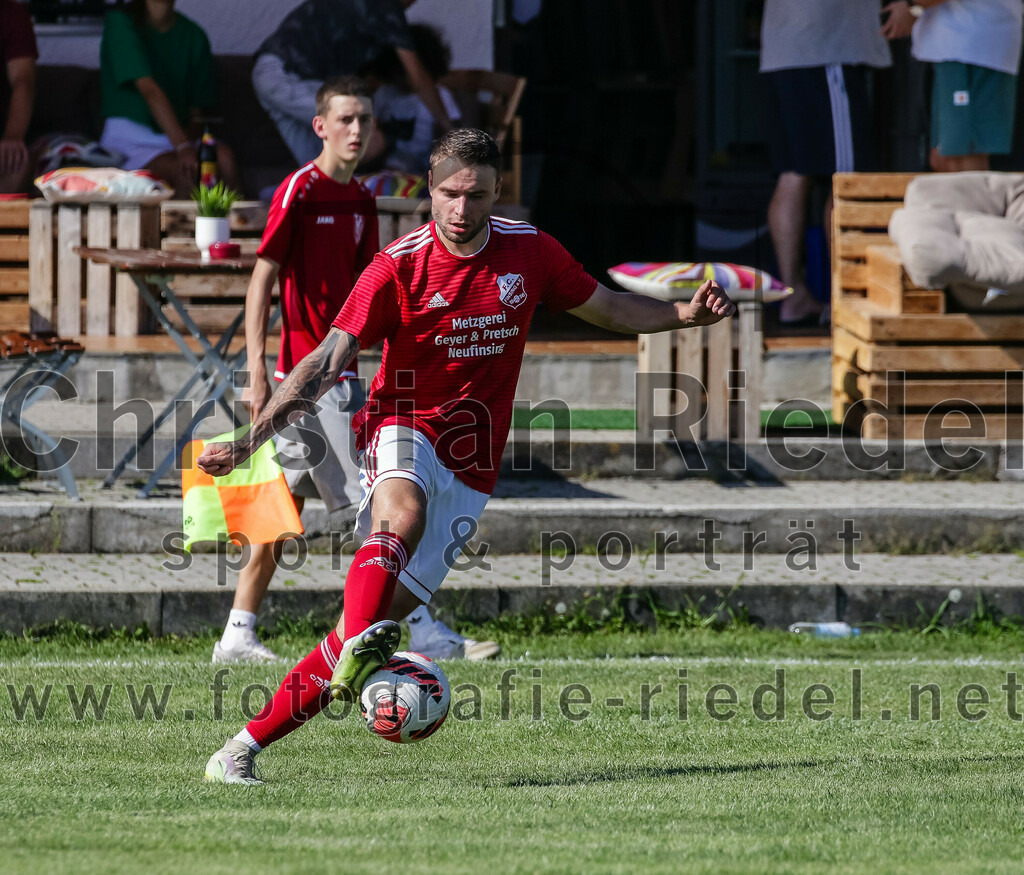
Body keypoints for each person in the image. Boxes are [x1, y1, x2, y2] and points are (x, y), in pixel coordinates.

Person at [199, 128, 736, 784]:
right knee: (402, 511)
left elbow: (607, 306)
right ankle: (361, 641)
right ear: (430, 190)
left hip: (473, 465)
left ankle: (240, 749)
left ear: (496, 192)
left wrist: (682, 313)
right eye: (448, 194)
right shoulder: (398, 265)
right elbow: (325, 361)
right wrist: (252, 438)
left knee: (350, 638)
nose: (460, 207)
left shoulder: (528, 252)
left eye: (475, 194)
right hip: (400, 422)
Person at [213, 75, 497, 667]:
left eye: (365, 120)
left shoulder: (363, 198)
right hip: (311, 381)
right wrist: (258, 366)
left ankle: (237, 633)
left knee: (276, 509)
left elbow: (370, 291)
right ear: (319, 126)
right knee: (375, 512)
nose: (357, 130)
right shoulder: (300, 190)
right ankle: (416, 627)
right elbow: (263, 278)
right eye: (345, 119)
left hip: (343, 374)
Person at [760, 0, 892, 327]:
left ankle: (793, 298)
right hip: (824, 47)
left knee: (793, 174)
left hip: (785, 49)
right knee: (846, 180)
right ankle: (845, 301)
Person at [252, 0, 452, 168]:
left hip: (269, 74)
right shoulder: (386, 6)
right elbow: (418, 77)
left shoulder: (366, 20)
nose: (412, 3)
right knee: (370, 138)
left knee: (314, 164)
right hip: (287, 76)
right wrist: (448, 126)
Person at [98, 0, 239, 197]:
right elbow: (149, 90)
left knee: (224, 159)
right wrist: (182, 149)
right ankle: (182, 228)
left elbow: (197, 114)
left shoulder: (193, 34)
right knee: (186, 171)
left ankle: (235, 226)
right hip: (131, 140)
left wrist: (187, 146)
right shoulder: (120, 22)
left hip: (179, 138)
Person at [880, 0, 1022, 172]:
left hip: (973, 49)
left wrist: (909, 4)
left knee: (963, 158)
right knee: (943, 157)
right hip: (956, 50)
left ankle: (974, 200)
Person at [361, 24, 461, 174]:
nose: (401, 79)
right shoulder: (385, 94)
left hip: (424, 166)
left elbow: (448, 135)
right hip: (386, 165)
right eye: (396, 72)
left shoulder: (440, 96)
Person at [0, 0, 37, 194]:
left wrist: (13, 136)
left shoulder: (11, 14)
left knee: (17, 166)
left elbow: (23, 80)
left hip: (4, 132)